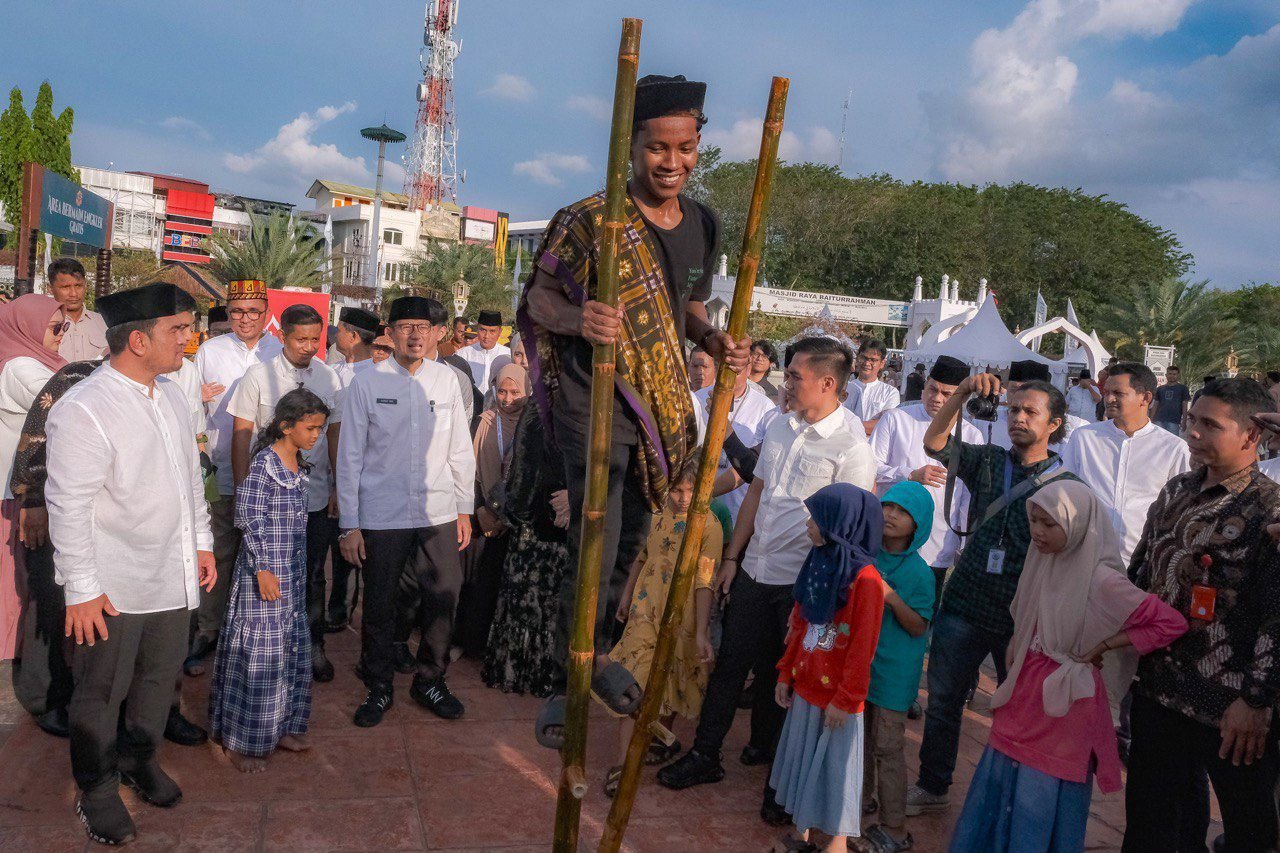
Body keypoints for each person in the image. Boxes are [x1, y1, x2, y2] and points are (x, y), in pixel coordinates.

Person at [522, 73, 750, 747]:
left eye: (684, 148)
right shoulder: (590, 218)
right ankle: (569, 690)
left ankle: (594, 661)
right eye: (657, 148)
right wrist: (579, 317)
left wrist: (713, 339)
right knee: (594, 536)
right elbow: (537, 301)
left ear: (699, 145)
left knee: (631, 542)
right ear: (632, 146)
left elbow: (686, 307)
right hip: (589, 403)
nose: (671, 162)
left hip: (659, 404)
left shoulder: (704, 223)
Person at [659, 337, 876, 825]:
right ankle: (706, 755)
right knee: (732, 664)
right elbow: (757, 491)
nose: (786, 383)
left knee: (790, 679)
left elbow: (847, 535)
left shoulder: (853, 448)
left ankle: (781, 782)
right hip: (757, 568)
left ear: (827, 383)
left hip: (806, 586)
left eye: (796, 376)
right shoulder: (781, 426)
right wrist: (734, 555)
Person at [45, 283, 215, 845]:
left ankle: (140, 760)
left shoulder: (168, 394)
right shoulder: (86, 408)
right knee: (100, 693)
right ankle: (95, 789)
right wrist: (83, 590)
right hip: (113, 586)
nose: (188, 340)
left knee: (156, 681)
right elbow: (67, 505)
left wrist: (202, 543)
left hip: (172, 573)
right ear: (138, 340)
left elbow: (190, 479)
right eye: (178, 330)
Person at [950, 481, 1187, 852]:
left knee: (1041, 786)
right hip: (1028, 686)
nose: (1037, 533)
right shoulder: (1043, 561)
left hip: (1067, 702)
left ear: (1077, 525)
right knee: (1007, 771)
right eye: (1034, 521)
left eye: (1049, 524)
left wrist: (1105, 645)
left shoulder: (1102, 579)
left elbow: (1171, 623)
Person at [906, 371, 1079, 816]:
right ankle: (933, 785)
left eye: (1030, 412)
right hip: (965, 601)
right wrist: (961, 393)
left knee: (1016, 709)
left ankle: (1006, 800)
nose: (1018, 418)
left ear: (1055, 423)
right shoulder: (989, 461)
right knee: (943, 702)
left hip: (1021, 614)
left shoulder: (1067, 487)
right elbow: (935, 444)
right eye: (1013, 410)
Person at [1124, 378, 1280, 853]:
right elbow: (1141, 575)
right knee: (1153, 824)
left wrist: (1255, 701)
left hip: (1232, 711)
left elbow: (1277, 615)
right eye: (1192, 420)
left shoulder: (1269, 508)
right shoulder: (1176, 492)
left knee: (1248, 829)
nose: (1192, 432)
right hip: (1158, 690)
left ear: (1252, 436)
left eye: (1210, 425)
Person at [337, 296, 475, 727]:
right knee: (380, 602)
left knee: (444, 593)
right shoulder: (367, 383)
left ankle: (430, 678)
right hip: (383, 513)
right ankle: (378, 685)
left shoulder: (446, 380)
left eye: (424, 327)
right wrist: (350, 524)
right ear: (390, 333)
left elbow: (459, 448)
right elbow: (350, 456)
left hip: (437, 511)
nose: (415, 334)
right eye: (406, 326)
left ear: (437, 333)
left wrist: (464, 509)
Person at [210, 388, 329, 773]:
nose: (315, 435)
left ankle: (280, 727)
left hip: (290, 574)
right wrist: (262, 568)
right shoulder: (263, 465)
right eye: (310, 428)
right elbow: (247, 516)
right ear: (285, 426)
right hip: (264, 576)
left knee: (288, 651)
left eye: (320, 429)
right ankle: (241, 741)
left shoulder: (299, 465)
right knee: (259, 656)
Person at [225, 304, 343, 683]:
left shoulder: (329, 378)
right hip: (270, 499)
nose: (310, 346)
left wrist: (338, 485)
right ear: (282, 336)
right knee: (266, 572)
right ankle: (261, 649)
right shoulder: (258, 377)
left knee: (312, 573)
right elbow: (242, 435)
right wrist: (244, 491)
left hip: (315, 493)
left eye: (316, 339)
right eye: (301, 338)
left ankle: (313, 647)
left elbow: (336, 435)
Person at [770, 483, 885, 853]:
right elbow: (800, 623)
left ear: (839, 524)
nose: (808, 526)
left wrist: (847, 698)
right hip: (807, 687)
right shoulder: (819, 563)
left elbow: (862, 647)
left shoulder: (866, 581)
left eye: (815, 519)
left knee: (834, 772)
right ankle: (801, 835)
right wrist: (786, 672)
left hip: (837, 698)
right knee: (805, 762)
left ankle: (835, 844)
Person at [602, 454, 720, 797]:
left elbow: (704, 582)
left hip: (680, 620)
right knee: (633, 685)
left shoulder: (709, 527)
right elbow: (642, 557)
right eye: (676, 490)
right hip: (644, 614)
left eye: (689, 490)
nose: (682, 498)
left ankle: (658, 741)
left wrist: (700, 632)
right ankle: (623, 767)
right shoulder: (657, 516)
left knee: (670, 680)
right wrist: (626, 596)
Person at [188, 279, 282, 673]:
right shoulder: (209, 351)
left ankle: (260, 634)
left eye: (254, 312)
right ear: (228, 314)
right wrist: (200, 398)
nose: (245, 319)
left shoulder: (281, 349)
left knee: (266, 555)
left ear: (266, 314)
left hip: (272, 476)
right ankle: (210, 631)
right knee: (219, 553)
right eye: (238, 312)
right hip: (221, 470)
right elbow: (187, 403)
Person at [869, 355, 983, 609]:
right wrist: (909, 474)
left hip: (939, 538)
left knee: (921, 611)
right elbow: (869, 467)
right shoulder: (896, 419)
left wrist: (964, 543)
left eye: (947, 393)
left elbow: (967, 497)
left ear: (961, 399)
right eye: (932, 389)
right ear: (924, 386)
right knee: (877, 606)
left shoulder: (972, 436)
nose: (937, 398)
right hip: (890, 533)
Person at [862, 482, 935, 853]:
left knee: (887, 748)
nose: (890, 514)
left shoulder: (920, 573)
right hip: (863, 667)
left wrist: (888, 596)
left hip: (894, 674)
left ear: (918, 523)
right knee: (860, 742)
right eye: (887, 506)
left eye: (903, 511)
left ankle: (895, 828)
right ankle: (859, 805)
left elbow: (918, 626)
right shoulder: (868, 553)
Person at [482, 405, 571, 696]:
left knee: (553, 604)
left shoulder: (597, 405)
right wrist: (516, 515)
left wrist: (579, 497)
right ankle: (518, 671)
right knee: (525, 602)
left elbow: (608, 465)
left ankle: (547, 674)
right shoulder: (536, 408)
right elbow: (522, 467)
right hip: (531, 526)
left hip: (567, 527)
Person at [0, 293, 67, 660]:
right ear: (27, 328)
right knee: (18, 576)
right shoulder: (21, 366)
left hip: (25, 485)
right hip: (19, 489)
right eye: (55, 327)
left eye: (64, 326)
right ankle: (14, 651)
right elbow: (66, 404)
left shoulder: (37, 361)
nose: (60, 334)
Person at [458, 363, 529, 657]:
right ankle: (469, 644)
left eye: (515, 391)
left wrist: (507, 515)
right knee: (477, 583)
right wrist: (482, 511)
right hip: (482, 517)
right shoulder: (482, 422)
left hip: (516, 521)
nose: (508, 398)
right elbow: (467, 471)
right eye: (502, 390)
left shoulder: (533, 426)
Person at [694, 364, 775, 525]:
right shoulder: (698, 398)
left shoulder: (765, 407)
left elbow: (755, 464)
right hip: (694, 497)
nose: (729, 378)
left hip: (737, 504)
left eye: (736, 372)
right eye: (724, 371)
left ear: (748, 368)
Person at [46, 258, 108, 362]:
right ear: (50, 288)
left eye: (78, 286)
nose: (73, 293)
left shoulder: (104, 323)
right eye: (65, 287)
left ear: (86, 285)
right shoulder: (43, 327)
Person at [844, 339, 900, 434]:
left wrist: (845, 426)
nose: (867, 363)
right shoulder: (844, 387)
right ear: (857, 359)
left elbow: (886, 424)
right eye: (864, 358)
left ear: (882, 363)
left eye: (873, 360)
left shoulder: (889, 392)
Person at [456, 310, 511, 395]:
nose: (486, 336)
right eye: (483, 330)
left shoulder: (508, 356)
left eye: (492, 331)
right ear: (477, 329)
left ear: (500, 331)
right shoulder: (462, 355)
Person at [1151, 364, 1191, 434]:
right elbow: (1155, 405)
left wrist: (1184, 422)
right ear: (1166, 375)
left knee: (1172, 443)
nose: (1171, 376)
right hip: (1158, 420)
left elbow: (1185, 406)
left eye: (1174, 374)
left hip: (1174, 421)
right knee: (1158, 442)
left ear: (1178, 375)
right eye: (1170, 374)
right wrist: (1150, 420)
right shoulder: (1160, 389)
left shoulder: (1183, 388)